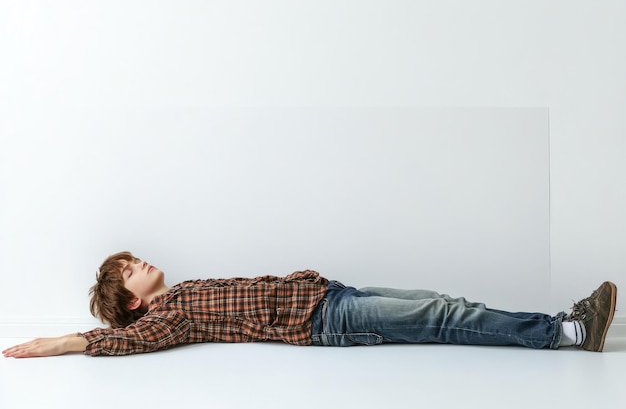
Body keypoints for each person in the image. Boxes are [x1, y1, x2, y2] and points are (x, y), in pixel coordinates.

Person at [2, 251, 617, 358]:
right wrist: (65, 340)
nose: (136, 265)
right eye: (125, 271)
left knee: (442, 302)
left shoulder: (183, 292)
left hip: (329, 294)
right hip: (327, 320)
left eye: (130, 259)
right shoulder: (166, 319)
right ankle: (565, 332)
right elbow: (120, 342)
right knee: (444, 318)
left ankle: (552, 325)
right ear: (132, 304)